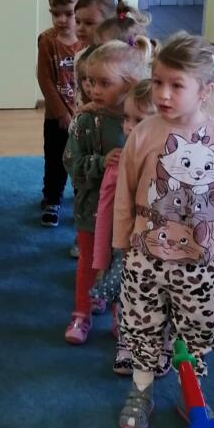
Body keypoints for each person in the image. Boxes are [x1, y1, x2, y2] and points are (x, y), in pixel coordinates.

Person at [113, 33, 214, 428]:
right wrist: (122, 244)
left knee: (195, 329)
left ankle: (191, 394)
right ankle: (141, 389)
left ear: (205, 90)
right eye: (157, 82)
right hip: (145, 257)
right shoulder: (144, 134)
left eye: (176, 85)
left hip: (199, 264)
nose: (163, 94)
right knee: (141, 324)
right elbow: (124, 192)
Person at [62, 38, 152, 344]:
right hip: (92, 211)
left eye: (104, 83)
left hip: (130, 215)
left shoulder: (143, 123)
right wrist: (101, 162)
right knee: (89, 262)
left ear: (130, 84)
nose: (93, 89)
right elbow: (71, 162)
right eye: (89, 81)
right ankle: (81, 314)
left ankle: (119, 316)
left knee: (123, 264)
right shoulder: (86, 120)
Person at [92, 78, 156, 372]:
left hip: (161, 246)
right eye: (126, 119)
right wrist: (102, 257)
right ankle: (127, 343)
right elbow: (106, 212)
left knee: (158, 297)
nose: (129, 127)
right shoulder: (119, 162)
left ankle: (159, 342)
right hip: (126, 247)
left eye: (139, 120)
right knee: (129, 295)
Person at [37, 0, 85, 227]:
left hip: (84, 117)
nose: (61, 20)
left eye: (68, 13)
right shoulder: (47, 40)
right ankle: (52, 200)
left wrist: (83, 114)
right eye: (55, 13)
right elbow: (44, 78)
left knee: (81, 160)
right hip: (56, 118)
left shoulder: (87, 40)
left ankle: (82, 201)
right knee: (54, 160)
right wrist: (61, 113)